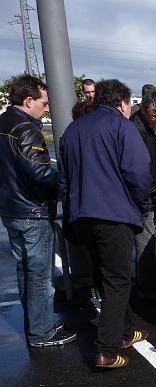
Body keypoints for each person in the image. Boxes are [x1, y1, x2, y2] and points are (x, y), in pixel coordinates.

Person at [59, 79, 151, 369]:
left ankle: (124, 330)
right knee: (118, 280)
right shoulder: (122, 127)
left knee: (103, 275)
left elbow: (64, 179)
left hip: (82, 215)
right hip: (113, 215)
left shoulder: (73, 130)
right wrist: (143, 206)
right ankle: (107, 349)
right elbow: (138, 173)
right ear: (122, 103)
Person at [0, 74, 76, 348]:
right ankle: (41, 333)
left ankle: (37, 324)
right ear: (28, 100)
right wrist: (65, 185)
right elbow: (38, 170)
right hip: (31, 211)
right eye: (44, 103)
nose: (47, 108)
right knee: (40, 276)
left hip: (11, 210)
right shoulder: (25, 128)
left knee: (26, 272)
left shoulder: (4, 123)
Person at [130, 89, 156, 298]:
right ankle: (148, 293)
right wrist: (152, 198)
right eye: (154, 116)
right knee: (145, 246)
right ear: (144, 111)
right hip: (146, 199)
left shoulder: (153, 128)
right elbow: (141, 171)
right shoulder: (136, 130)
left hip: (155, 196)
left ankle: (152, 288)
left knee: (152, 242)